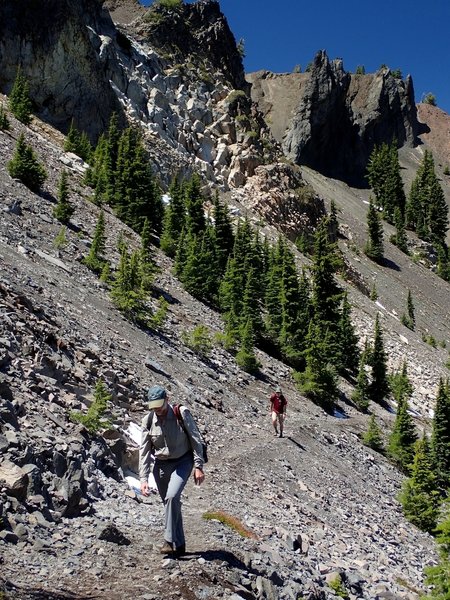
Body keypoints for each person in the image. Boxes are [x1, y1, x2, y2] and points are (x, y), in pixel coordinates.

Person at [139, 385, 205, 558]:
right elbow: (144, 451)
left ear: (167, 400)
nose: (157, 410)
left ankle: (169, 541)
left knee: (171, 497)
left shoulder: (181, 413)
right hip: (161, 466)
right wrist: (143, 478)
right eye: (154, 407)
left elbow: (196, 438)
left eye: (159, 405)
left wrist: (198, 466)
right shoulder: (147, 421)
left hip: (183, 461)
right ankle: (180, 543)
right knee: (171, 504)